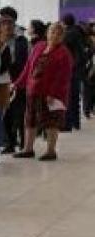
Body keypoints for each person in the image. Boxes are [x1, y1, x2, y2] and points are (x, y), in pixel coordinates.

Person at [13, 22, 74, 161]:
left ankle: (51, 151)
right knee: (30, 120)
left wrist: (53, 93)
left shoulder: (64, 53)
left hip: (50, 95)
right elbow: (28, 68)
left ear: (63, 36)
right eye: (52, 31)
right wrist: (17, 83)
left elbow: (63, 77)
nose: (54, 35)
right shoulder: (38, 46)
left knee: (51, 122)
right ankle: (28, 149)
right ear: (47, 33)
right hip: (32, 90)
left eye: (59, 33)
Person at [0, 10, 31, 154]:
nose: (8, 26)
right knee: (6, 114)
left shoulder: (22, 41)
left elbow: (28, 62)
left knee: (21, 113)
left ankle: (24, 143)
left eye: (10, 23)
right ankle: (9, 142)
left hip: (20, 81)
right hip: (3, 81)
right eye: (4, 23)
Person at [62, 13, 88, 131]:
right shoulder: (79, 33)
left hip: (70, 69)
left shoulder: (68, 34)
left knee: (68, 96)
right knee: (75, 97)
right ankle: (76, 123)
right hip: (77, 69)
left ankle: (68, 124)